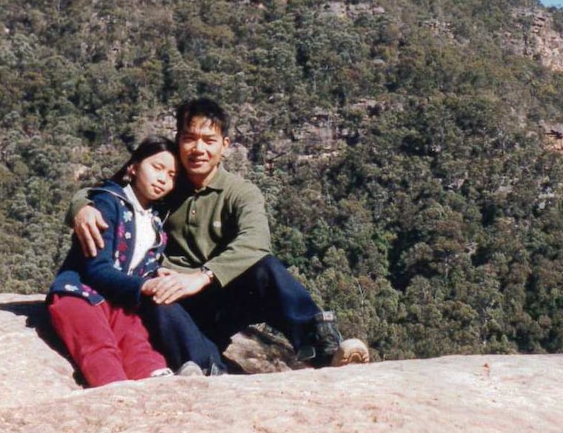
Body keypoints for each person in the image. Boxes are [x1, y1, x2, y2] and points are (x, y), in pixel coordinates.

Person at [68, 98, 369, 375]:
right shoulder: (167, 184)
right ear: (179, 141)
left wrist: (203, 276)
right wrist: (82, 206)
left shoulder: (240, 192)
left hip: (223, 294)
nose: (199, 149)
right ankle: (209, 367)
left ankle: (324, 348)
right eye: (190, 138)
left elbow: (255, 241)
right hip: (176, 301)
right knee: (158, 294)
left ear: (225, 145)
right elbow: (115, 187)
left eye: (209, 140)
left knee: (266, 268)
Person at [48, 135, 193, 387]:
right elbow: (96, 269)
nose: (163, 179)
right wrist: (142, 287)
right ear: (133, 167)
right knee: (98, 346)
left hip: (120, 302)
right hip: (80, 294)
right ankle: (115, 398)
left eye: (171, 175)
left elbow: (140, 265)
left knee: (138, 345)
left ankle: (160, 391)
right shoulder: (108, 202)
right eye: (157, 168)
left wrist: (156, 274)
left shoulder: (156, 222)